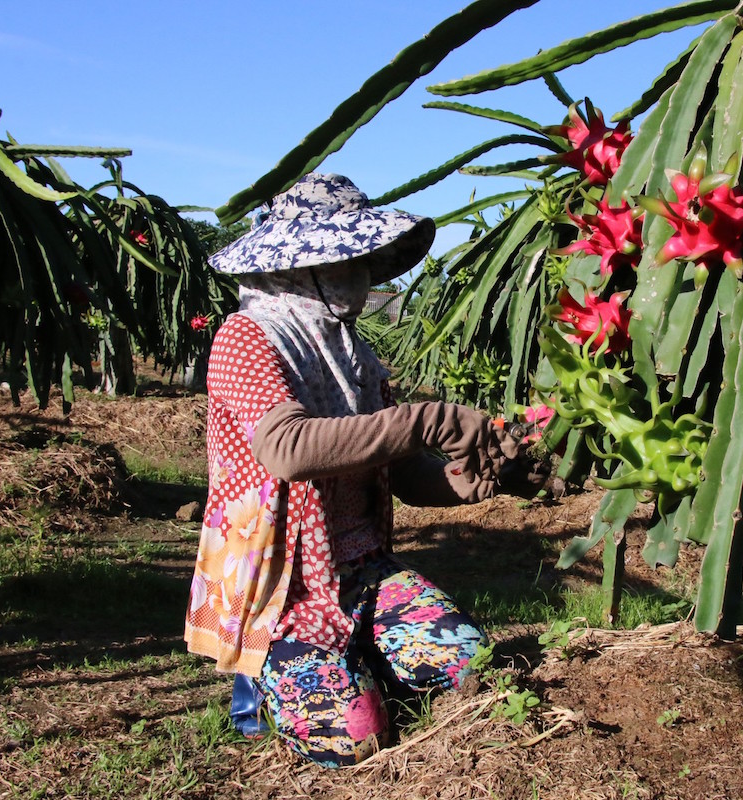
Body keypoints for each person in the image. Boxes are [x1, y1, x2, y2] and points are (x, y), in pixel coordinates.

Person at [184, 174, 532, 767]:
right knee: (357, 740)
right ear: (303, 265)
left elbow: (399, 471)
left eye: (361, 259)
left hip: (363, 568)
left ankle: (360, 659)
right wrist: (425, 420)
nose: (360, 274)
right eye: (344, 259)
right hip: (284, 586)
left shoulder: (353, 355)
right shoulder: (246, 338)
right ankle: (271, 679)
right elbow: (288, 448)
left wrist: (469, 481)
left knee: (472, 667)